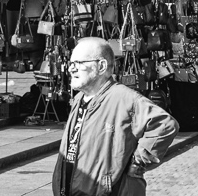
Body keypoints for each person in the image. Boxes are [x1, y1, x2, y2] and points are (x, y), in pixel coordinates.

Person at [54, 37, 179, 196]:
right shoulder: (79, 99)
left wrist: (137, 162)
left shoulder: (124, 99)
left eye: (79, 63)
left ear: (101, 66)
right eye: (71, 63)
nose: (71, 69)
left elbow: (165, 125)